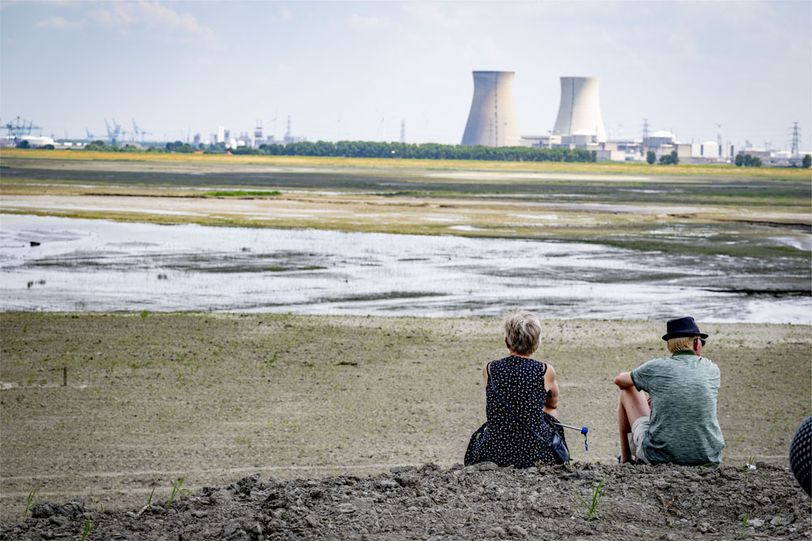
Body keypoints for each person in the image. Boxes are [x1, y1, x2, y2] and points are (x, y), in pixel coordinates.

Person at [614, 316, 725, 465]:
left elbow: (619, 381)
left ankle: (626, 459)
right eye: (701, 342)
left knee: (627, 390)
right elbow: (688, 393)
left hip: (659, 457)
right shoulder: (712, 369)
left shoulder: (656, 368)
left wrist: (653, 393)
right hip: (708, 457)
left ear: (669, 345)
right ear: (696, 343)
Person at [464, 310, 564, 468]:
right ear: (536, 344)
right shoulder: (545, 370)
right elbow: (552, 404)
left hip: (494, 451)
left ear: (506, 342)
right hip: (535, 453)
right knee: (550, 411)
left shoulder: (490, 368)